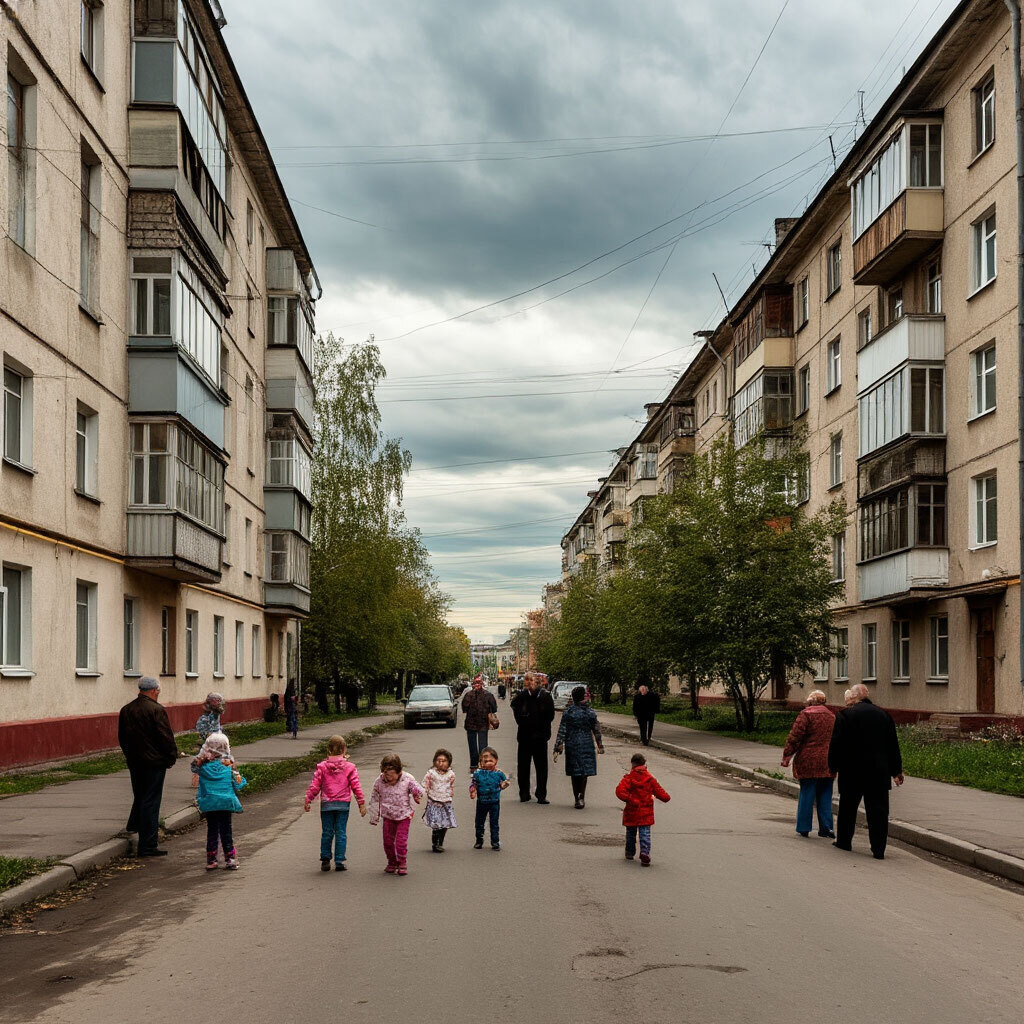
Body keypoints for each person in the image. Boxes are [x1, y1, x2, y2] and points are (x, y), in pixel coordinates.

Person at [827, 683, 904, 859]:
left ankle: (844, 842)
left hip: (851, 771)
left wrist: (833, 767)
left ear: (854, 697)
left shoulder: (845, 715)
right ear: (867, 696)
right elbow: (892, 745)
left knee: (848, 808)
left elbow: (837, 744)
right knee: (878, 811)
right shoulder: (884, 715)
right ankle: (879, 849)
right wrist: (896, 771)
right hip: (878, 772)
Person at [118, 676, 179, 858]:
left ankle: (134, 826)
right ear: (154, 690)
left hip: (135, 762)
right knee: (150, 802)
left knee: (141, 796)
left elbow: (122, 737)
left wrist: (130, 756)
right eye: (158, 691)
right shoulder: (156, 710)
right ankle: (148, 845)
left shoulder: (126, 709)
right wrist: (171, 757)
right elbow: (165, 737)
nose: (159, 694)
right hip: (154, 763)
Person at [304, 735, 366, 872]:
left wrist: (308, 799)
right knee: (341, 832)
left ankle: (325, 859)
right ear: (344, 749)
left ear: (328, 750)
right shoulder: (350, 767)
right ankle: (339, 860)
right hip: (343, 804)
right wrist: (361, 803)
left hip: (327, 805)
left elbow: (315, 786)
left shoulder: (322, 767)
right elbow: (356, 786)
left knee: (327, 832)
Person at [781, 690, 836, 839]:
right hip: (828, 761)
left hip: (808, 759)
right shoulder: (832, 716)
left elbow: (795, 737)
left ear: (811, 702)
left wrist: (787, 755)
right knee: (825, 794)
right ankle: (827, 828)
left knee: (807, 792)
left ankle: (804, 827)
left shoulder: (806, 714)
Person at [195, 732, 247, 870]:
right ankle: (230, 858)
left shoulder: (203, 767)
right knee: (226, 830)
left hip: (210, 803)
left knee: (212, 830)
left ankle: (211, 860)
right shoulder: (228, 764)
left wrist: (202, 758)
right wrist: (238, 774)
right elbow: (238, 784)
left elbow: (194, 767)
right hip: (225, 803)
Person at [368, 753, 424, 875]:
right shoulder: (380, 781)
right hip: (388, 816)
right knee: (387, 842)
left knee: (400, 841)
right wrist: (374, 816)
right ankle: (392, 862)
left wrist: (416, 794)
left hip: (404, 816)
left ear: (399, 772)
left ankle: (402, 862)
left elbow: (418, 789)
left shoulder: (407, 779)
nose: (389, 778)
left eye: (392, 775)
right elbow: (374, 798)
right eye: (386, 774)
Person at [615, 752, 671, 866]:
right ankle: (645, 852)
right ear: (644, 764)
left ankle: (630, 852)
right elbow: (661, 793)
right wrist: (666, 798)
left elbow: (619, 791)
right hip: (646, 812)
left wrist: (629, 799)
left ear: (633, 764)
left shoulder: (629, 778)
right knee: (644, 833)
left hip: (632, 810)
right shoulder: (650, 779)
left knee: (631, 832)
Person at [553, 685, 604, 809]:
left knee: (575, 772)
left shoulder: (569, 712)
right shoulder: (590, 712)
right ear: (583, 697)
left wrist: (558, 747)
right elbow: (596, 729)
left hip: (572, 743)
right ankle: (581, 796)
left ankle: (577, 797)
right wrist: (600, 745)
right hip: (586, 743)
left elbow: (562, 730)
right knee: (584, 772)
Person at [510, 670, 555, 804]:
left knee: (541, 767)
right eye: (526, 680)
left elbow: (550, 716)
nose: (529, 683)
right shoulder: (522, 696)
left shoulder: (545, 696)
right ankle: (524, 793)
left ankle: (541, 794)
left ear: (537, 682)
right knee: (523, 766)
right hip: (524, 736)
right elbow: (515, 709)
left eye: (531, 680)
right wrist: (524, 720)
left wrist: (542, 729)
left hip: (540, 737)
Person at [469, 747, 509, 850]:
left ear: (496, 760)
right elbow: (473, 784)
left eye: (491, 760)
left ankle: (495, 841)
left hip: (494, 802)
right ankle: (479, 840)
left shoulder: (499, 773)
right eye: (485, 761)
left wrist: (504, 784)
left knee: (494, 822)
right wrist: (473, 791)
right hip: (481, 801)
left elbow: (505, 782)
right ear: (481, 762)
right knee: (479, 822)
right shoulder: (477, 773)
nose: (488, 763)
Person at [421, 748, 457, 852]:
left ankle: (440, 842)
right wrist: (422, 794)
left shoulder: (451, 774)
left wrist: (450, 794)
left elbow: (451, 786)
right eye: (438, 760)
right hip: (434, 802)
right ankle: (435, 844)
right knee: (436, 824)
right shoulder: (430, 773)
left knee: (445, 824)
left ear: (449, 763)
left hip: (446, 802)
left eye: (444, 761)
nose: (440, 763)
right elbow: (424, 785)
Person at [461, 675, 497, 771]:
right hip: (480, 723)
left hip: (474, 723)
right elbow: (494, 708)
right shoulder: (487, 694)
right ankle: (482, 765)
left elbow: (464, 708)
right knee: (482, 745)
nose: (477, 685)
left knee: (475, 746)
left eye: (477, 683)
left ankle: (475, 765)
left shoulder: (469, 695)